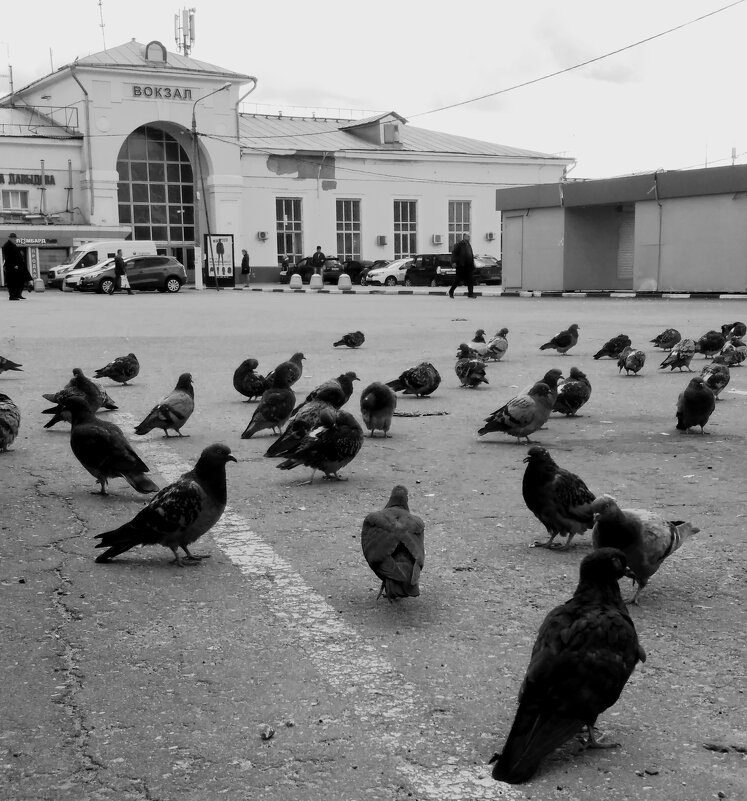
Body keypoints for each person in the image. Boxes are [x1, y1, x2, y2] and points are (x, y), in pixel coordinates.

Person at [2, 233, 32, 301]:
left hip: (19, 266)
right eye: (14, 238)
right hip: (12, 267)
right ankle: (12, 296)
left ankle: (18, 294)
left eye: (15, 238)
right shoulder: (7, 246)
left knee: (20, 280)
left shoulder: (13, 245)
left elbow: (17, 255)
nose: (15, 239)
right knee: (12, 282)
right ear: (10, 238)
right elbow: (8, 257)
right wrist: (14, 265)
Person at [449, 234, 476, 298]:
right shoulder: (459, 244)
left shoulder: (468, 245)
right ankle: (451, 291)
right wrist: (453, 262)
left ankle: (470, 294)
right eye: (468, 236)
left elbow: (470, 255)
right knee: (458, 280)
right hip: (461, 265)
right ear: (464, 237)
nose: (469, 237)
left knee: (470, 280)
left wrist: (473, 263)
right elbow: (454, 253)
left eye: (469, 236)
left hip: (468, 265)